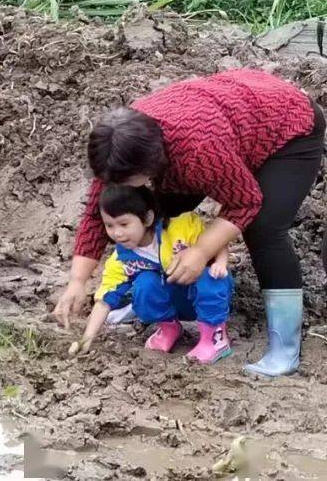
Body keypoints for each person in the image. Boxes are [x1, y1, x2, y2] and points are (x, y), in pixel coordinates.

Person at [53, 69, 325, 377]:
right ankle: (155, 298)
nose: (120, 186)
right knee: (153, 211)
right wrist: (77, 282)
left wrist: (200, 251)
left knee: (263, 227)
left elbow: (245, 201)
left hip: (287, 126)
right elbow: (96, 212)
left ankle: (284, 348)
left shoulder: (198, 152)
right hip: (233, 115)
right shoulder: (122, 143)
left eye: (128, 181)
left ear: (152, 167)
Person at [72, 185, 233, 364]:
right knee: (144, 283)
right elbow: (104, 300)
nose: (117, 233)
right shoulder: (122, 259)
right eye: (109, 225)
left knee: (210, 276)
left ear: (147, 218)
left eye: (124, 224)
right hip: (173, 303)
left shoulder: (180, 226)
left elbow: (217, 241)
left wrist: (220, 263)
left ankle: (214, 338)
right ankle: (169, 328)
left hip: (205, 296)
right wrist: (86, 338)